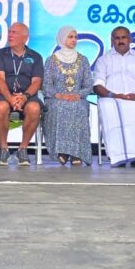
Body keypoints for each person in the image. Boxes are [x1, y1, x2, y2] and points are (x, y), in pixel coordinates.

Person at [92, 26, 135, 167]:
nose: (120, 41)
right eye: (117, 38)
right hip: (112, 98)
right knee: (109, 109)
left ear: (130, 39)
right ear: (112, 41)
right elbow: (98, 85)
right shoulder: (104, 60)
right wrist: (114, 95)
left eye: (123, 37)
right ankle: (118, 156)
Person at [0, 22, 44, 166]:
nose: (10, 35)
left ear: (25, 38)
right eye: (9, 32)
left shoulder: (36, 57)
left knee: (34, 108)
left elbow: (37, 82)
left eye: (14, 32)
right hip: (4, 94)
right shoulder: (0, 54)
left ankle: (23, 149)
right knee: (1, 107)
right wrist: (10, 98)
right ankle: (3, 149)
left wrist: (24, 97)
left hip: (27, 95)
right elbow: (0, 79)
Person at [42, 26, 94, 166]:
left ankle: (76, 152)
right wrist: (59, 95)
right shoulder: (51, 60)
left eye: (75, 37)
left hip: (78, 98)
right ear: (62, 38)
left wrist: (79, 95)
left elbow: (89, 84)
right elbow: (46, 85)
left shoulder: (83, 60)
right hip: (56, 98)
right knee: (60, 107)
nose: (74, 40)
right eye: (70, 37)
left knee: (78, 108)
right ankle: (62, 151)